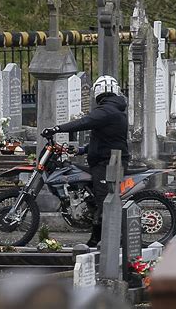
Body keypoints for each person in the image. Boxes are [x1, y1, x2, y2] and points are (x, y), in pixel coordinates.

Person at [42, 75, 129, 247]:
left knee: (104, 200)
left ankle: (113, 240)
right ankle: (95, 239)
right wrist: (81, 150)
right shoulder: (112, 110)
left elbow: (84, 122)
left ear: (99, 91)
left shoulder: (107, 111)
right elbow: (105, 140)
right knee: (94, 197)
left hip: (109, 164)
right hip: (104, 160)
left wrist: (57, 129)